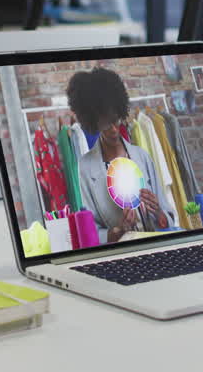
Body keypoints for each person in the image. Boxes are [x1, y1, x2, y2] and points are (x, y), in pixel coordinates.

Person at [68, 67, 177, 243]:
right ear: (94, 123)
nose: (113, 129)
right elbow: (93, 233)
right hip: (121, 253)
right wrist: (118, 230)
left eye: (116, 119)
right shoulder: (86, 168)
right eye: (105, 123)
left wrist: (158, 211)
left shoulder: (142, 156)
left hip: (157, 246)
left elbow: (167, 221)